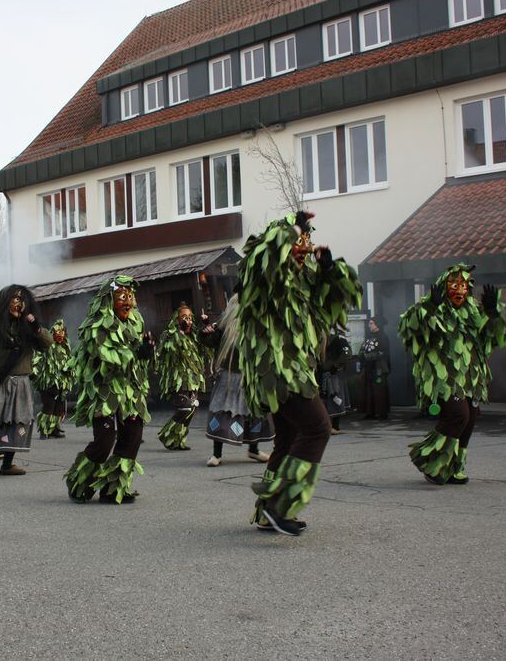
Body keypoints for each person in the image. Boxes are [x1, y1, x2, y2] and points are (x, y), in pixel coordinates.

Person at [237, 211, 362, 536]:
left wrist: (330, 269)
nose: (302, 247)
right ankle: (281, 506)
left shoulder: (301, 284)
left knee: (289, 438)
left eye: (305, 241)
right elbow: (264, 258)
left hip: (296, 370)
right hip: (278, 372)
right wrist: (292, 229)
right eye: (295, 241)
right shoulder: (263, 277)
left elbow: (334, 300)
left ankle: (267, 512)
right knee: (318, 428)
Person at [399, 264, 506, 485]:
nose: (460, 291)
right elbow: (408, 328)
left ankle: (454, 466)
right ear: (443, 286)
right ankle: (432, 462)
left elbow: (491, 337)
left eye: (464, 286)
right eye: (454, 285)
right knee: (459, 414)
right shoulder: (430, 305)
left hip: (469, 376)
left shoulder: (473, 310)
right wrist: (431, 306)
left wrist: (492, 312)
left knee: (470, 418)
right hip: (443, 378)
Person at [63, 276, 155, 504]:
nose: (128, 302)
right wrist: (137, 353)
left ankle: (113, 488)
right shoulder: (98, 325)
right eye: (122, 297)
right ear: (109, 300)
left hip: (131, 392)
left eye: (130, 296)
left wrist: (148, 351)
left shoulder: (136, 321)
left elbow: (139, 359)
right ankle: (79, 482)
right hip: (104, 392)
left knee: (132, 439)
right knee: (104, 442)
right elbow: (107, 358)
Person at [0, 286, 51, 478]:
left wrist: (37, 327)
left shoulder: (29, 326)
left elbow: (47, 344)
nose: (17, 304)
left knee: (17, 422)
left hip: (20, 381)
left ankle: (7, 463)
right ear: (4, 303)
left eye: (20, 300)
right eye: (13, 300)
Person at [200, 295, 272, 466]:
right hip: (229, 378)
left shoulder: (256, 326)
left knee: (253, 413)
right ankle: (216, 454)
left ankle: (253, 450)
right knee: (221, 412)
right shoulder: (223, 327)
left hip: (250, 377)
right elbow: (209, 341)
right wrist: (204, 332)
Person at [155, 303, 207, 451]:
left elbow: (205, 349)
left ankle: (178, 440)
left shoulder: (193, 336)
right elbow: (171, 351)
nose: (188, 321)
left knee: (192, 409)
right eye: (184, 317)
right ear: (176, 320)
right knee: (185, 408)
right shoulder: (170, 335)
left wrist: (206, 330)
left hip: (193, 380)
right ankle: (167, 435)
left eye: (190, 318)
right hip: (179, 380)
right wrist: (180, 333)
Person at [33, 319, 73, 440]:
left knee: (58, 407)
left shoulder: (66, 347)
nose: (60, 335)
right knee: (49, 406)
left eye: (62, 332)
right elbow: (36, 360)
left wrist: (69, 371)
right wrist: (36, 375)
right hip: (48, 382)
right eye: (57, 332)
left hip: (61, 383)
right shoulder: (47, 346)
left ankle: (54, 429)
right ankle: (44, 430)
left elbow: (69, 362)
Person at [318, 330, 352, 433]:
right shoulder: (321, 336)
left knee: (335, 397)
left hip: (334, 374)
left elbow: (347, 354)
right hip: (323, 373)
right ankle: (329, 426)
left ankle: (335, 427)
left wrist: (335, 366)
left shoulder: (339, 338)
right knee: (326, 399)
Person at [358, 317, 391, 420]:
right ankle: (370, 412)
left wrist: (368, 357)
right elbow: (363, 349)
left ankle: (382, 412)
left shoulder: (383, 337)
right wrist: (361, 355)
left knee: (379, 390)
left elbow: (383, 353)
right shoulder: (368, 337)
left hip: (379, 368)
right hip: (368, 368)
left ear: (377, 324)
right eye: (369, 323)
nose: (369, 325)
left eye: (371, 323)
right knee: (369, 390)